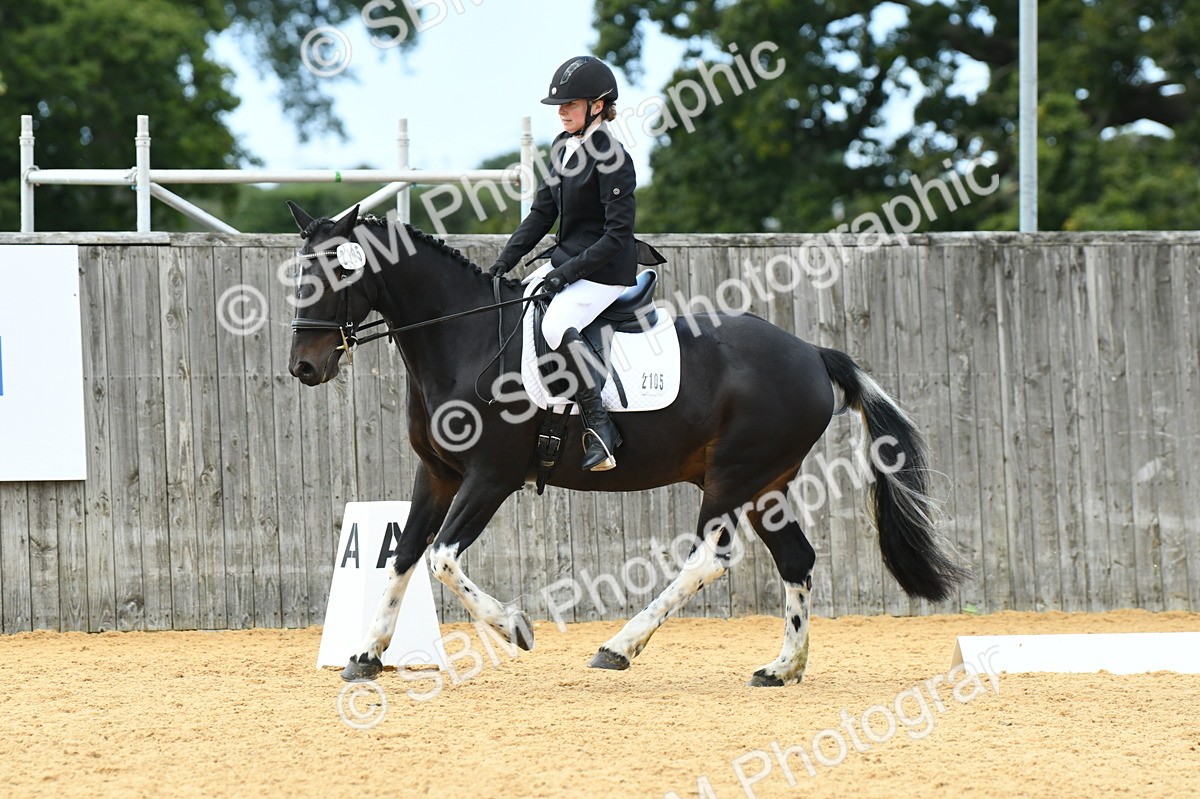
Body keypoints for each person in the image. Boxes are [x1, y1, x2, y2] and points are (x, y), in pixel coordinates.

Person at [489, 55, 637, 472]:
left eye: (570, 104)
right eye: (560, 105)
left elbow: (617, 236)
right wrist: (504, 261)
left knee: (555, 324)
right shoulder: (561, 147)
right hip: (569, 261)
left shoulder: (614, 157)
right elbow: (541, 213)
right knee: (517, 304)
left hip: (606, 271)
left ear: (597, 105)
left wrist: (564, 275)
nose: (561, 112)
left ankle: (600, 427)